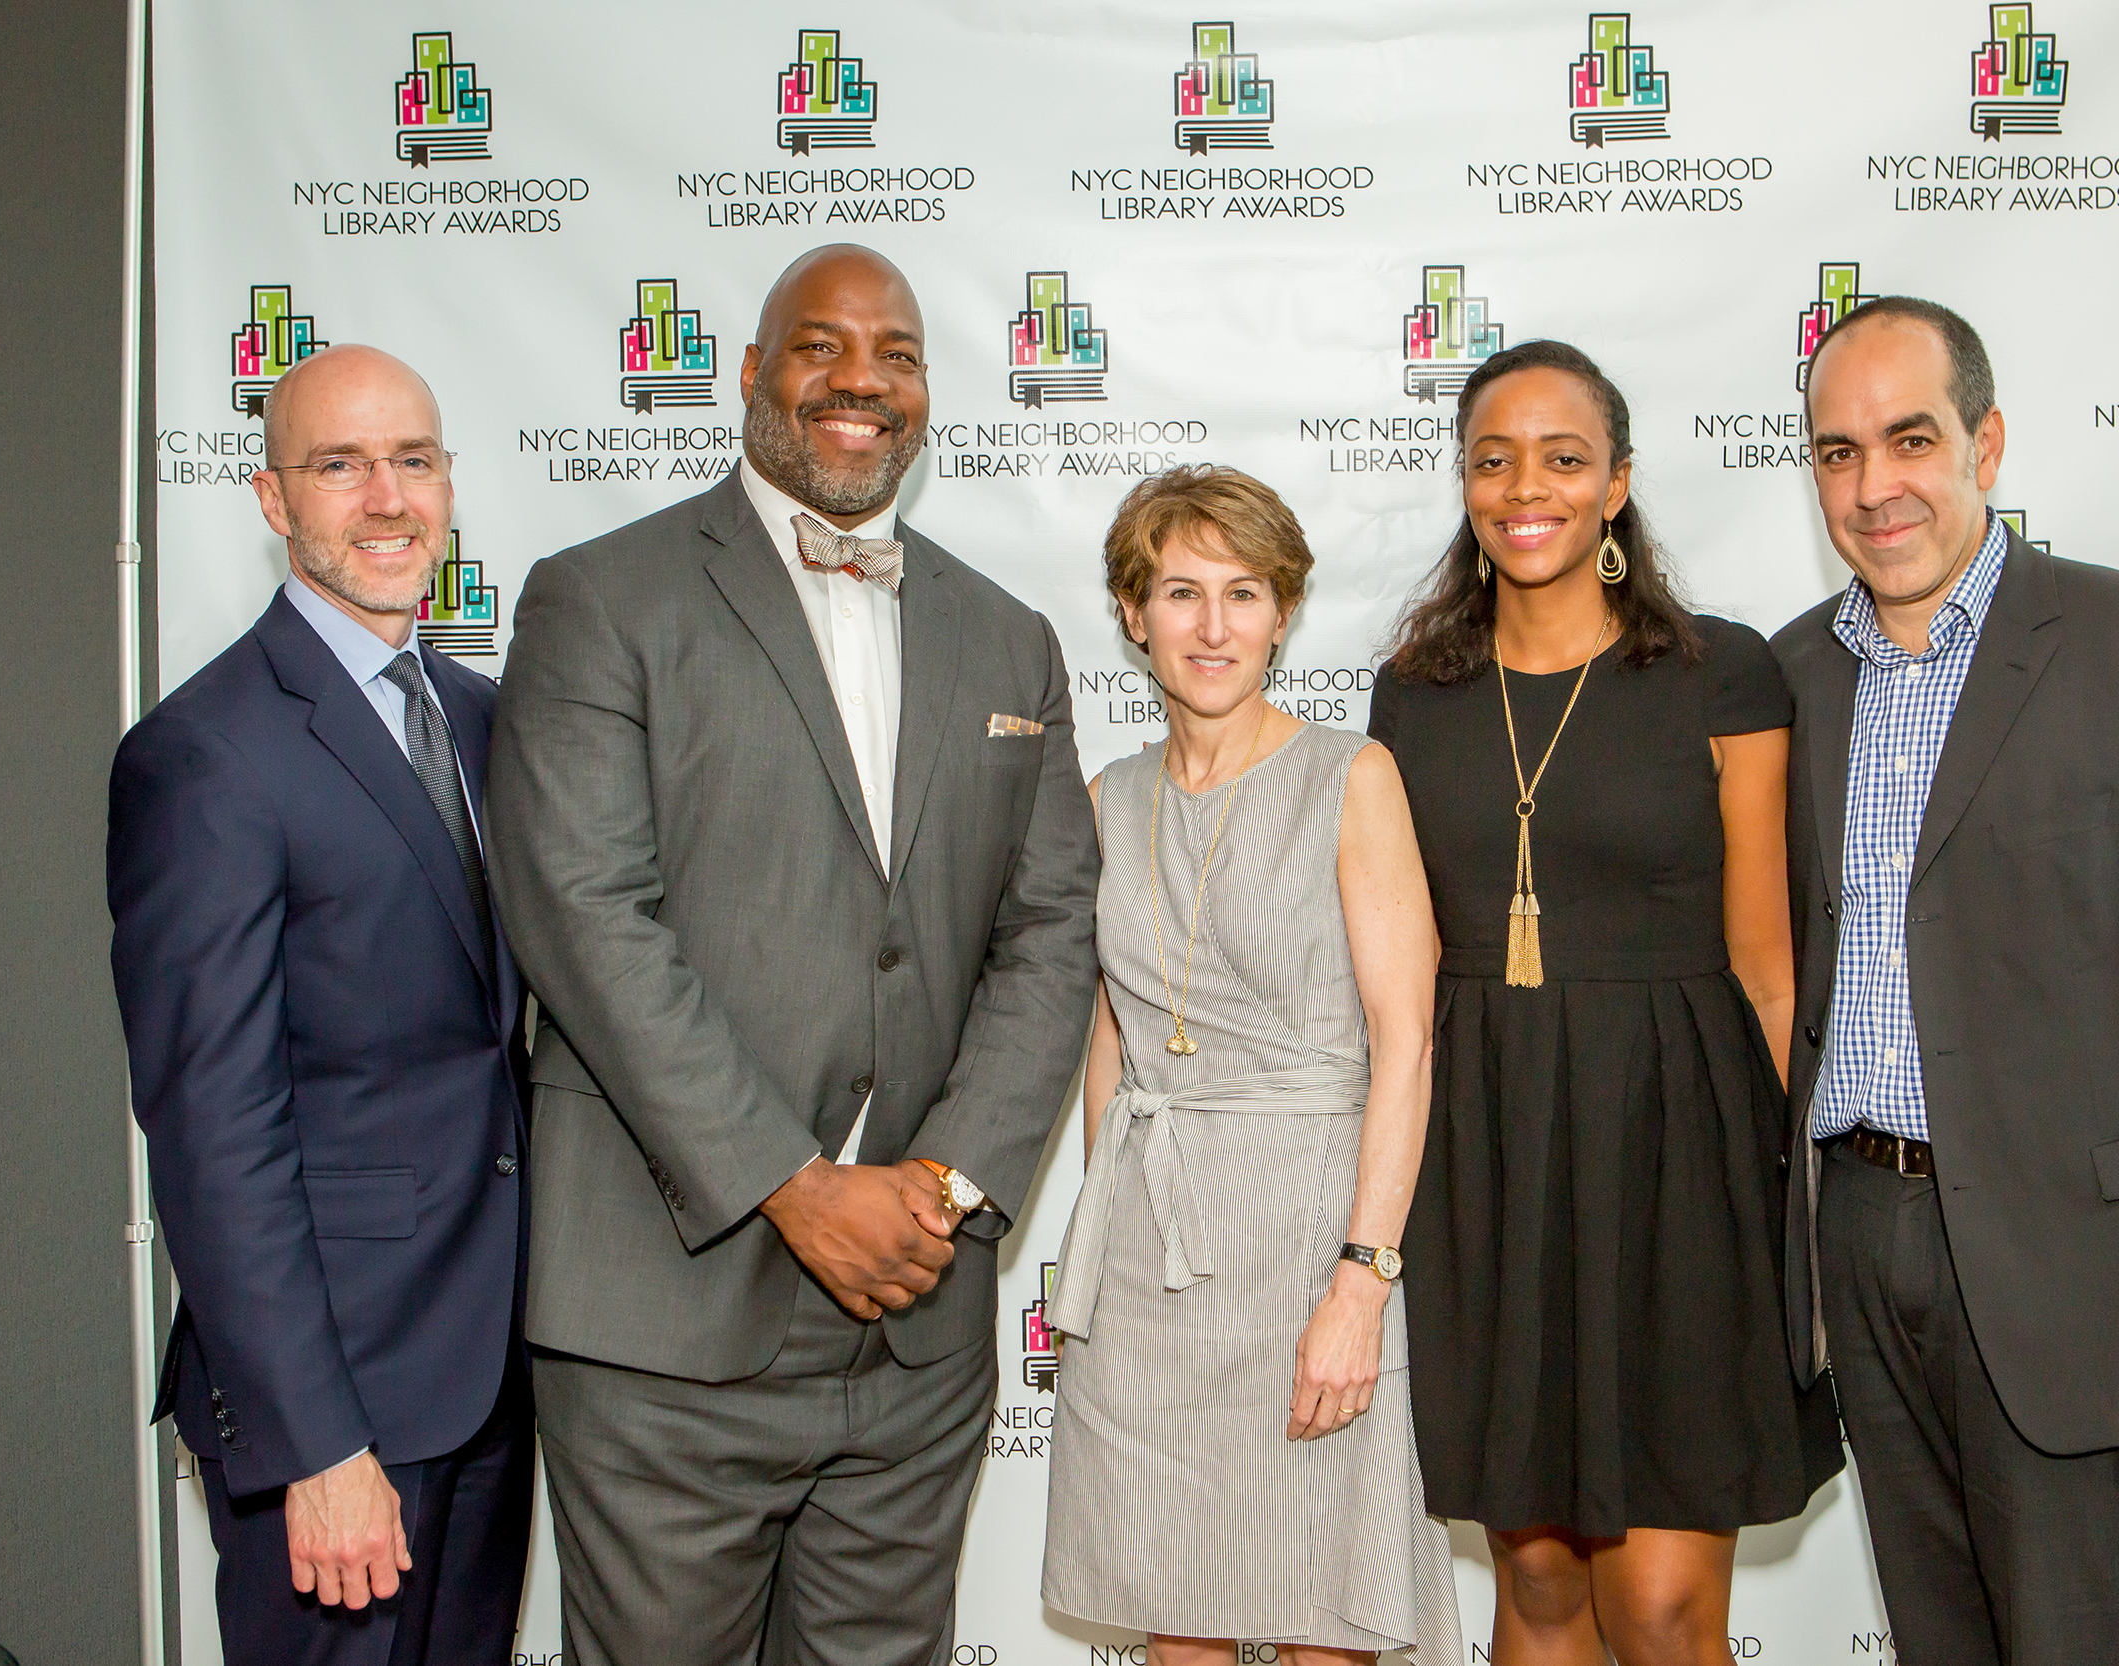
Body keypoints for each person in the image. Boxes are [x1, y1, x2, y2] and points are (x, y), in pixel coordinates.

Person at [485, 243, 1100, 1666]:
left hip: (917, 1330)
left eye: (894, 353)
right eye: (818, 346)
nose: (859, 379)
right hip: (666, 1326)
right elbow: (586, 916)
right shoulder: (601, 598)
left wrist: (940, 1190)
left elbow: (1051, 930)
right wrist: (795, 1184)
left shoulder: (1008, 638)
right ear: (752, 372)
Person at [1777, 295, 2119, 1664]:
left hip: (2079, 1267)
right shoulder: (1791, 678)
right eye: (1837, 451)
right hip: (1862, 1245)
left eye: (1910, 438)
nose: (1875, 485)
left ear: (1987, 441)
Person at [1368, 339, 1841, 1666]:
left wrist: (1793, 1211)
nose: (1531, 486)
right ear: (1465, 482)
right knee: (1538, 1594)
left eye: (1566, 457)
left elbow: (1767, 962)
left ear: (1617, 484)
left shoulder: (1722, 674)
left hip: (1680, 1161)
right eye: (1496, 457)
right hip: (1491, 1163)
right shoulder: (1413, 695)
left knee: (1662, 1608)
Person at [107, 344, 532, 1663]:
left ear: (451, 485)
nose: (386, 497)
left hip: (483, 1384)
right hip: (335, 1412)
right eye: (339, 464)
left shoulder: (485, 722)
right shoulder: (206, 754)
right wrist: (318, 1442)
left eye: (412, 460)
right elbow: (213, 1130)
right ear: (271, 499)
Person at [1042, 465, 1461, 1666]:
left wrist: (1362, 1282)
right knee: (1179, 1622)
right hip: (1153, 1270)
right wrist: (1106, 1232)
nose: (1213, 626)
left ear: (1283, 611)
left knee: (1321, 1621)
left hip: (1309, 1246)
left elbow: (1407, 1040)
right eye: (1181, 591)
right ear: (1133, 613)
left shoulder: (1351, 777)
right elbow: (1110, 1038)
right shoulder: (1107, 800)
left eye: (1243, 591)